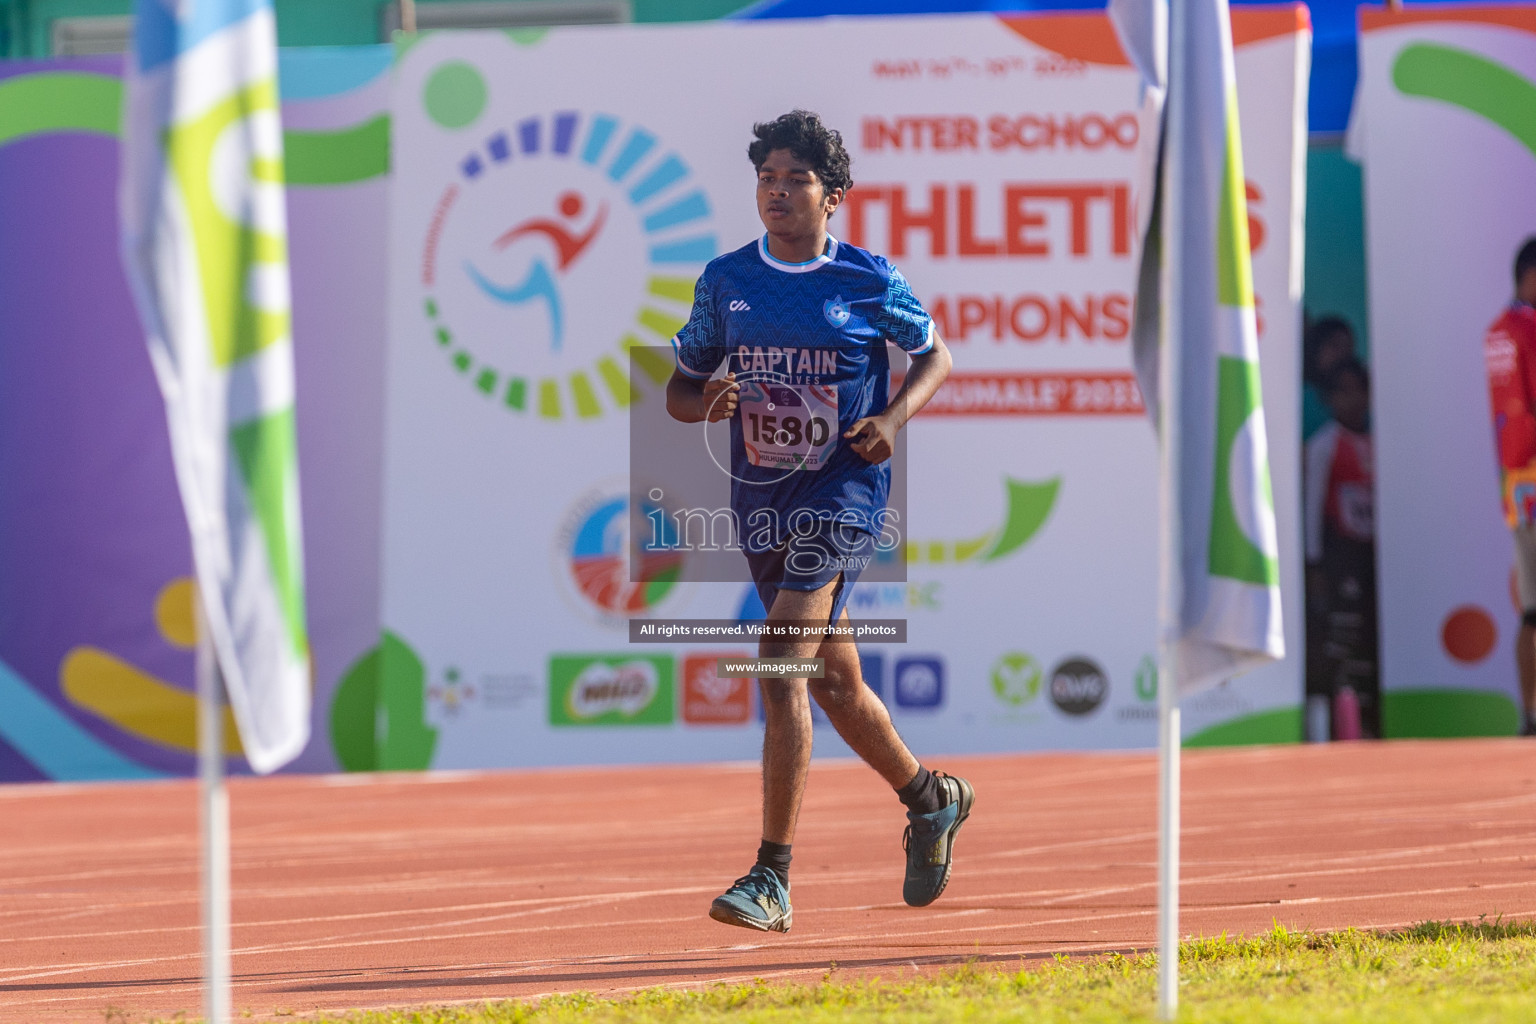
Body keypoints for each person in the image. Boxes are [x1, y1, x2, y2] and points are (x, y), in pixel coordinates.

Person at [665, 110, 969, 932]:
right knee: (835, 681)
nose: (777, 191)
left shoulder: (867, 278)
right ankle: (929, 797)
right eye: (767, 177)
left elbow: (936, 355)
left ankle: (771, 875)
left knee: (778, 661)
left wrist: (891, 420)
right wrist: (709, 403)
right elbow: (679, 388)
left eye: (796, 179)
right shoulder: (726, 280)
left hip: (841, 493)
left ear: (831, 195)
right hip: (760, 497)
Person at [1303, 358, 1378, 738]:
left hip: (1373, 555)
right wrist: (1313, 561)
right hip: (1339, 554)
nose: (1352, 400)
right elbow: (1313, 504)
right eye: (1342, 391)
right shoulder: (1324, 444)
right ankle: (1341, 722)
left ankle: (1371, 717)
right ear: (1329, 398)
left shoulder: (1379, 440)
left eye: (1358, 390)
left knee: (1371, 633)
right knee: (1342, 635)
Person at [1484, 236, 1536, 736]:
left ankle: (1530, 712)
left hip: (1517, 485)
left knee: (1532, 608)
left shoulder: (1498, 330)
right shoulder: (1530, 327)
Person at [1302, 314, 1356, 441]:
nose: (1342, 354)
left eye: (1347, 347)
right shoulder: (1299, 397)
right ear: (1316, 347)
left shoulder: (1359, 400)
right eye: (1335, 346)